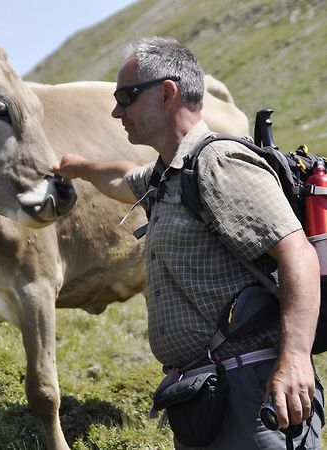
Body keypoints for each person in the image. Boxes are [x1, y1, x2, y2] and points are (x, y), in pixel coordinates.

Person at [51, 36, 324, 449]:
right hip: (207, 394)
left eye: (125, 97)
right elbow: (123, 178)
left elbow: (297, 254)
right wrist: (77, 167)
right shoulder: (169, 173)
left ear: (166, 93)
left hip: (254, 391)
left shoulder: (219, 164)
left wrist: (297, 359)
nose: (116, 110)